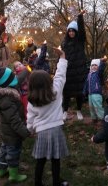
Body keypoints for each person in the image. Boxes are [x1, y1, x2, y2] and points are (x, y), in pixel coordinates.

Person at [27, 47, 69, 186]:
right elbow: (60, 75)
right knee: (55, 159)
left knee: (41, 160)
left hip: (42, 133)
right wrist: (62, 57)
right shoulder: (56, 90)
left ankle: (37, 183)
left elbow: (30, 118)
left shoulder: (32, 100)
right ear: (48, 81)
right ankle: (56, 182)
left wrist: (30, 130)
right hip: (56, 130)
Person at [0, 66, 30, 183]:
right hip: (12, 132)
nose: (16, 78)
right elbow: (14, 121)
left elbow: (19, 77)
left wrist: (27, 69)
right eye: (13, 76)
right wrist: (25, 132)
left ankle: (2, 170)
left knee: (4, 149)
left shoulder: (5, 89)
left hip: (5, 131)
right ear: (9, 83)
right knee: (13, 152)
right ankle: (13, 174)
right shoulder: (7, 99)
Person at [61, 10, 88, 121]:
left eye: (73, 31)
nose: (71, 33)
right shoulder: (64, 43)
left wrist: (80, 17)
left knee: (79, 93)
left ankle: (79, 111)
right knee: (66, 93)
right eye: (70, 31)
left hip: (79, 71)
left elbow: (82, 30)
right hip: (68, 71)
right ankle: (65, 111)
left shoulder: (80, 41)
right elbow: (62, 56)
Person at [83, 57, 106, 125]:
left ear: (98, 66)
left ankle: (103, 119)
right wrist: (84, 91)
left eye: (96, 65)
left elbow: (101, 69)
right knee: (91, 107)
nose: (94, 66)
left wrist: (102, 62)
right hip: (90, 94)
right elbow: (86, 83)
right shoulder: (89, 75)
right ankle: (94, 119)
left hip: (96, 93)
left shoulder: (98, 74)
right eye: (92, 65)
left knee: (98, 106)